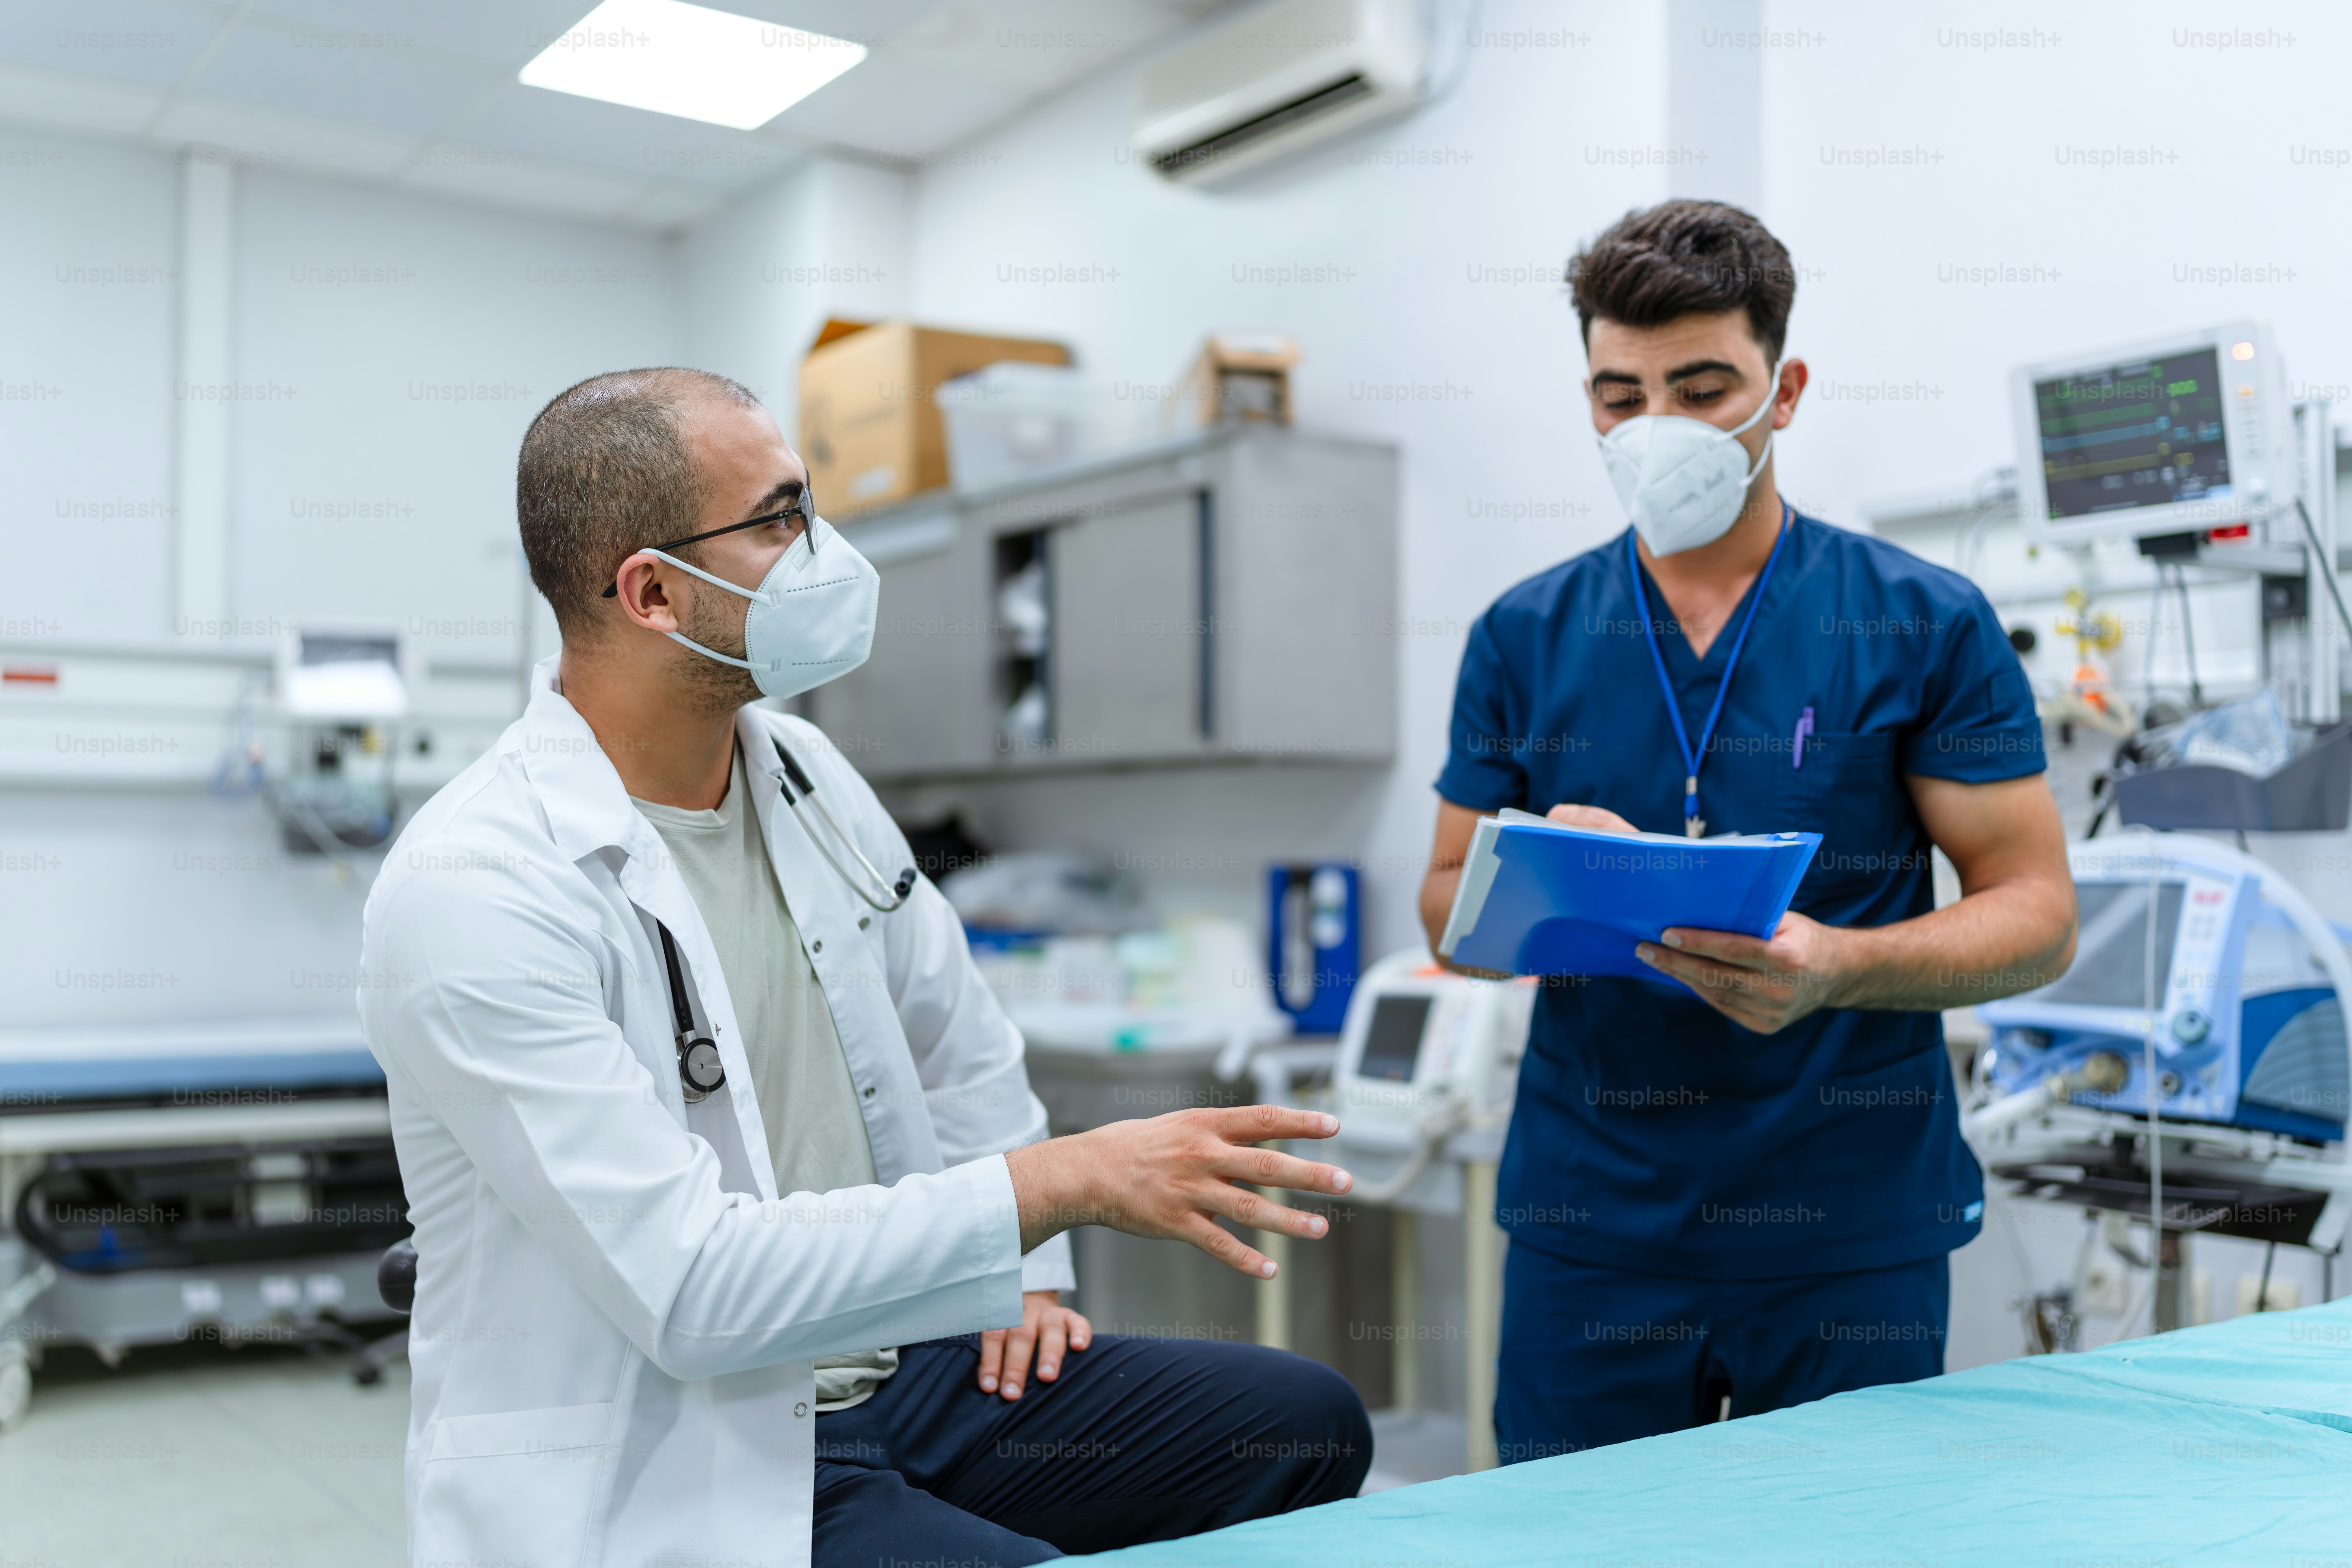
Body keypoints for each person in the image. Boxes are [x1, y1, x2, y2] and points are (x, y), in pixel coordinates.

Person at [359, 368, 1369, 1568]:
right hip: (680, 1439)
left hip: (902, 1367)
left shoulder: (801, 772)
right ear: (650, 591)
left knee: (1303, 1427)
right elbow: (692, 1293)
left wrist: (1028, 1277)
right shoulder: (478, 886)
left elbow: (957, 1041)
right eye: (779, 520)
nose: (818, 553)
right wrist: (1060, 1184)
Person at [1416, 202, 2078, 1460]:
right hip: (1593, 1231)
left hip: (1844, 1230)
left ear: (1785, 392)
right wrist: (1537, 882)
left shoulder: (1916, 620)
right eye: (1619, 397)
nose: (1653, 428)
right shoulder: (1524, 633)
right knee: (1575, 1557)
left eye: (1701, 386)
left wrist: (1840, 966)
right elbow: (1445, 902)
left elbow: (2035, 913)